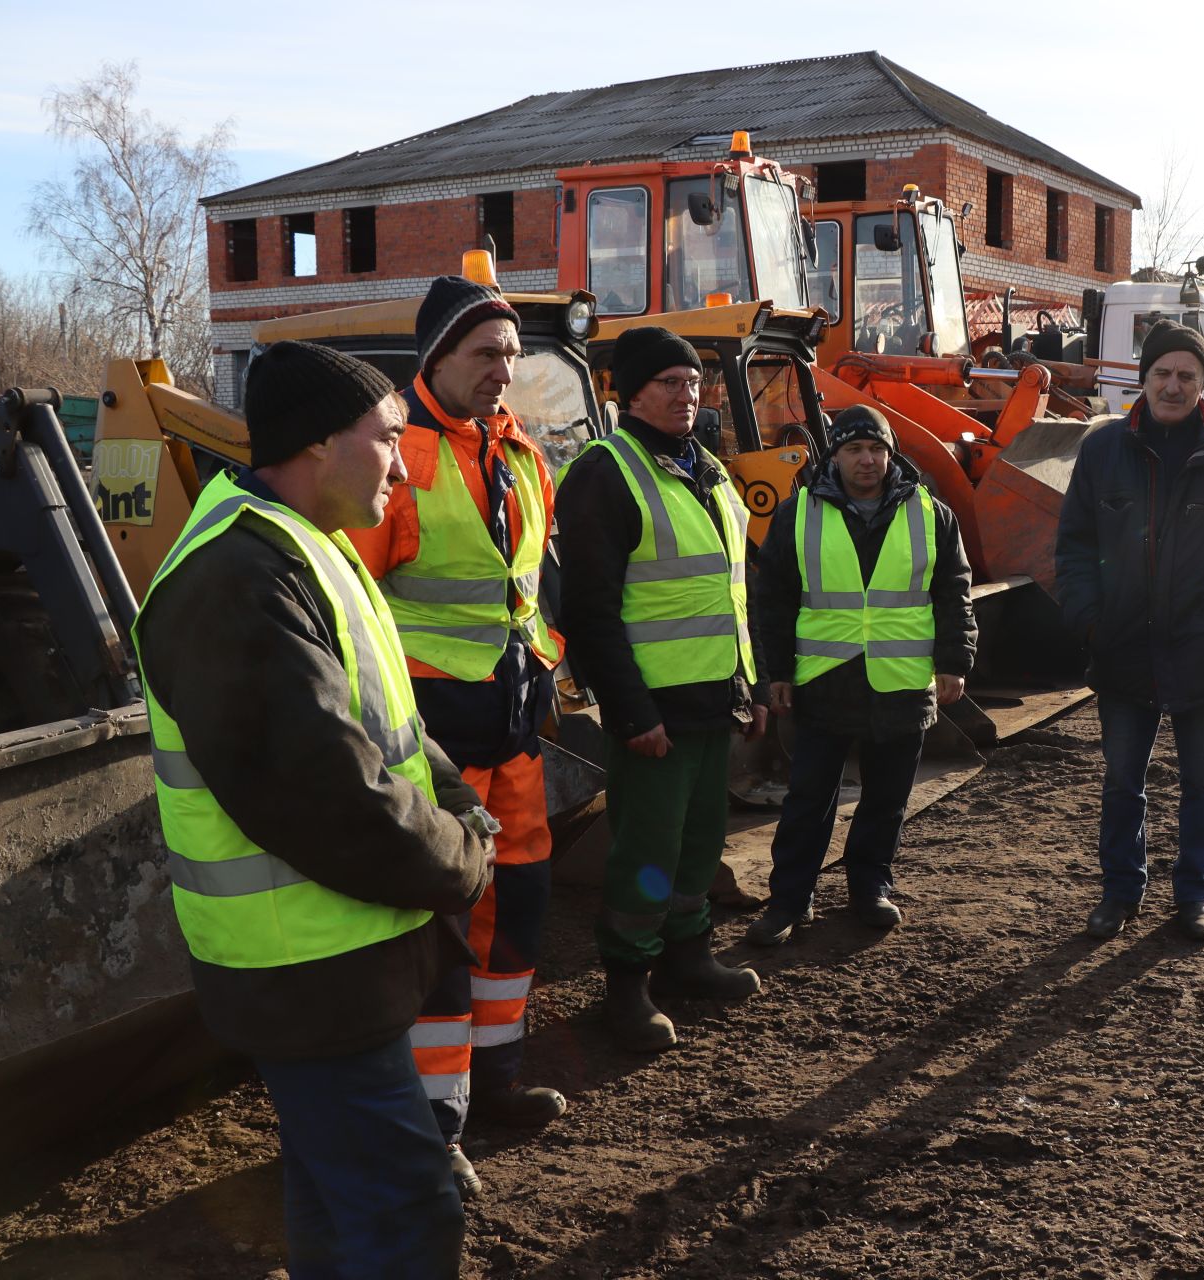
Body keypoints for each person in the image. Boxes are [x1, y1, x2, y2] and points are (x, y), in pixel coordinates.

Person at [132, 340, 494, 1276]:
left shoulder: (305, 548)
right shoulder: (236, 580)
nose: (404, 462)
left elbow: (386, 722)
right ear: (320, 446)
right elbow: (326, 792)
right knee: (410, 1217)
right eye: (388, 438)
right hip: (307, 967)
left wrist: (451, 790)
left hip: (333, 962)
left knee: (340, 1207)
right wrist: (459, 859)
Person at [345, 275, 568, 1199]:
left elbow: (528, 587)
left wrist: (549, 670)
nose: (503, 373)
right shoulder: (400, 464)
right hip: (431, 743)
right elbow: (352, 605)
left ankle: (497, 1080)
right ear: (437, 358)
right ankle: (437, 1124)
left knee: (516, 908)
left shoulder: (523, 457)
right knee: (440, 931)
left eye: (513, 358)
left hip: (513, 728)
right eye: (486, 355)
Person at [555, 326, 768, 1053]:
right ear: (628, 393)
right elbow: (589, 611)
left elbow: (739, 589)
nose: (689, 394)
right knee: (647, 846)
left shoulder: (704, 466)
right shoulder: (604, 472)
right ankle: (627, 985)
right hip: (655, 709)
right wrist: (630, 708)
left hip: (713, 698)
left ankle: (688, 956)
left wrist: (756, 683)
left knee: (701, 840)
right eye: (669, 383)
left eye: (693, 380)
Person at [1054, 319, 1204, 941]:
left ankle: (1193, 897)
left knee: (1201, 785)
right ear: (1144, 378)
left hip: (1203, 653)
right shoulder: (1103, 451)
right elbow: (1073, 546)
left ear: (1203, 384)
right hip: (1123, 649)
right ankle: (1120, 893)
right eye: (1163, 372)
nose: (1174, 384)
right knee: (1122, 782)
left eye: (1188, 375)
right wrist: (1090, 623)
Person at [745, 405, 977, 945]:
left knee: (887, 797)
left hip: (902, 680)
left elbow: (953, 593)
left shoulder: (932, 513)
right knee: (809, 798)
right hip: (825, 678)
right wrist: (776, 672)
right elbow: (772, 600)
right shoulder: (797, 512)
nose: (867, 460)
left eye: (876, 448)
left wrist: (954, 662)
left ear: (891, 453)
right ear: (835, 455)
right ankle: (789, 900)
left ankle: (870, 888)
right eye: (854, 449)